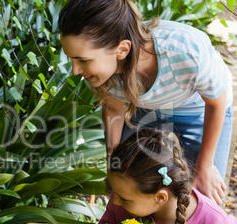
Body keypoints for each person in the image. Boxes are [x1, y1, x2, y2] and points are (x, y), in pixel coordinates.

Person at [57, 0, 233, 205]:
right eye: (72, 59)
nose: (75, 71)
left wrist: (205, 167)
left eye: (83, 60)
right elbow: (114, 108)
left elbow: (216, 102)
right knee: (126, 187)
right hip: (145, 108)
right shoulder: (102, 69)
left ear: (122, 49)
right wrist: (113, 162)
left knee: (203, 197)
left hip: (200, 110)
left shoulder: (184, 51)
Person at [15, 128, 237, 224]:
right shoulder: (122, 201)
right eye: (114, 192)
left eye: (123, 198)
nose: (115, 201)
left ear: (160, 198)